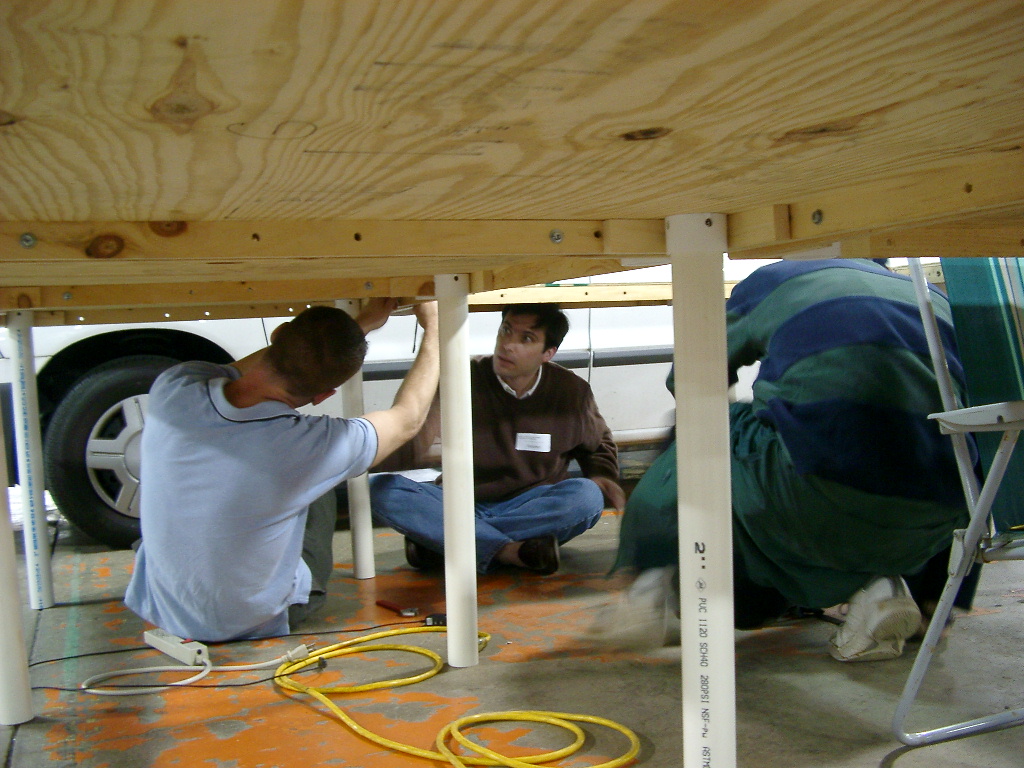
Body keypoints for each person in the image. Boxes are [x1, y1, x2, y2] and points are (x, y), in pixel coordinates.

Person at [596, 258, 973, 661]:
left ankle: (651, 578)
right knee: (936, 440)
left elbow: (693, 374)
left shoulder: (779, 279)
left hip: (817, 495)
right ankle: (902, 591)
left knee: (700, 423)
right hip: (942, 516)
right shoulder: (931, 297)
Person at [124, 299, 440, 642]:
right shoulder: (311, 447)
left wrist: (359, 325)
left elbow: (260, 364)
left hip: (164, 609)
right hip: (249, 621)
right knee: (318, 484)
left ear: (276, 333)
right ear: (324, 396)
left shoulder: (174, 387)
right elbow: (408, 420)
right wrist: (437, 326)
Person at [370, 303, 626, 575]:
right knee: (383, 489)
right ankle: (511, 551)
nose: (507, 345)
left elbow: (598, 444)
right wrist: (396, 438)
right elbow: (411, 442)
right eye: (505, 331)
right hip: (460, 500)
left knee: (586, 497)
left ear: (548, 353)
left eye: (526, 338)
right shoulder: (461, 377)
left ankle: (444, 543)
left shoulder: (571, 390)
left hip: (532, 504)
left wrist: (603, 475)